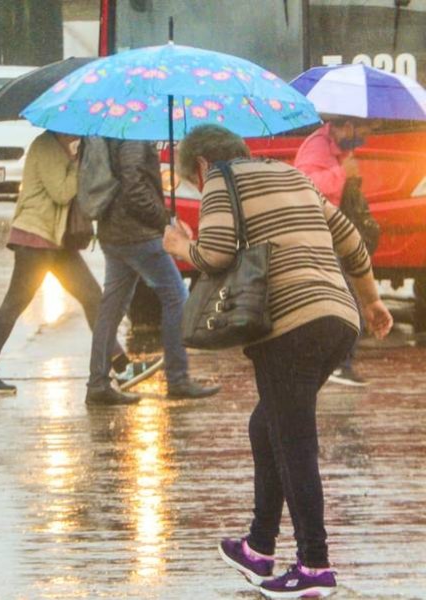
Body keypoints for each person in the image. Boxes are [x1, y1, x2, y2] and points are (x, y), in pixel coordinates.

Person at [164, 124, 393, 598]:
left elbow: (217, 252)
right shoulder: (292, 177)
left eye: (194, 179)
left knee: (294, 444)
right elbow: (350, 239)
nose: (198, 186)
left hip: (289, 327)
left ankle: (314, 567)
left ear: (203, 165)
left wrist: (179, 246)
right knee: (265, 425)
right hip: (338, 321)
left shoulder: (221, 181)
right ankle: (258, 547)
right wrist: (372, 302)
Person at [0, 130, 161, 393]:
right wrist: (81, 162)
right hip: (35, 237)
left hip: (58, 242)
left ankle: (122, 367)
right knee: (15, 302)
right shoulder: (45, 146)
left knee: (93, 298)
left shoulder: (66, 146)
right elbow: (60, 192)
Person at [85, 138, 221, 405]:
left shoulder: (114, 130)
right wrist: (165, 221)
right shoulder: (133, 134)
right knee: (176, 297)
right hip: (138, 234)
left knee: (111, 307)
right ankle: (178, 378)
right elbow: (134, 186)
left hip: (114, 230)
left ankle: (98, 382)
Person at [294, 116, 374, 386]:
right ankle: (340, 364)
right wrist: (342, 173)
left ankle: (336, 362)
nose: (365, 136)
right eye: (363, 129)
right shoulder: (316, 148)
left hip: (333, 234)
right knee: (350, 300)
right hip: (319, 236)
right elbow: (306, 187)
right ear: (344, 126)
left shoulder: (339, 147)